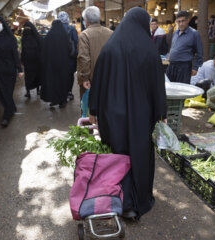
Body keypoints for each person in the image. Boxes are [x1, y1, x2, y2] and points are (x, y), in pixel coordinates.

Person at [88, 7, 167, 220]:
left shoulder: (110, 48)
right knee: (139, 155)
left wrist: (93, 109)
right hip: (141, 116)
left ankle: (118, 199)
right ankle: (136, 202)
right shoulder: (149, 51)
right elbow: (158, 85)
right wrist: (162, 112)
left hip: (112, 115)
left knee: (117, 154)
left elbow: (98, 81)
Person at [0, 15, 23, 127]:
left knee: (7, 92)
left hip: (9, 69)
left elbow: (15, 55)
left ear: (2, 23)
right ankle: (11, 107)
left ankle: (7, 116)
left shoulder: (11, 38)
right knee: (0, 92)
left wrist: (19, 69)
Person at [77, 6, 113, 113]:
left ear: (86, 21)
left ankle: (90, 128)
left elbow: (84, 58)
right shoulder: (110, 33)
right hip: (108, 78)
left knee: (89, 109)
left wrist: (84, 78)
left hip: (91, 80)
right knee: (105, 108)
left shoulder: (85, 35)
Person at [40, 20, 71, 109]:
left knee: (53, 82)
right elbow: (69, 48)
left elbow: (44, 51)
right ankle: (63, 100)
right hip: (63, 64)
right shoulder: (64, 35)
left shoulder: (49, 36)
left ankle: (54, 100)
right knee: (62, 82)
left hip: (51, 65)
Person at [166, 11, 203, 84]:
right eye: (179, 21)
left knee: (181, 90)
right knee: (169, 88)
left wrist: (195, 68)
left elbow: (200, 52)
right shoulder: (175, 33)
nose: (181, 24)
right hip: (172, 66)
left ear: (188, 20)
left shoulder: (194, 34)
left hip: (184, 67)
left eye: (183, 21)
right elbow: (173, 48)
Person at [58, 11, 78, 101]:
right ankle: (69, 92)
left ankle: (62, 92)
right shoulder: (72, 28)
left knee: (61, 75)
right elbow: (76, 41)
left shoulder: (56, 29)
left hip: (60, 57)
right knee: (70, 75)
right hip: (71, 57)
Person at [21, 21, 42, 98]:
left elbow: (41, 48)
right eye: (25, 29)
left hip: (36, 61)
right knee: (28, 77)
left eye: (28, 29)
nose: (26, 30)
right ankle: (28, 92)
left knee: (36, 76)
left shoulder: (37, 38)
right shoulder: (24, 38)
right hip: (28, 62)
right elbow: (23, 50)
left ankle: (37, 90)